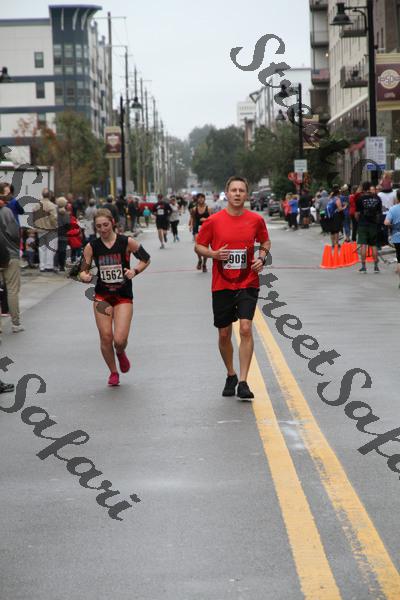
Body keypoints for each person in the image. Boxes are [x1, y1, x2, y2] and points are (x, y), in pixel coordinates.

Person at [195, 176, 270, 400]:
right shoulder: (213, 221)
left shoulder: (256, 220)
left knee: (245, 328)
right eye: (234, 190)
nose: (237, 194)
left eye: (241, 190)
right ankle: (231, 374)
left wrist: (261, 257)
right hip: (222, 284)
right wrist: (213, 254)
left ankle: (244, 382)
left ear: (246, 194)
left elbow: (265, 242)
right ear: (226, 193)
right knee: (224, 333)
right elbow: (198, 246)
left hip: (248, 281)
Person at [79, 209, 151, 386]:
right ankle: (113, 372)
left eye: (105, 225)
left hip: (123, 296)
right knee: (105, 337)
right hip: (102, 296)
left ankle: (120, 352)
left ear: (112, 223)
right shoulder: (92, 246)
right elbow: (82, 270)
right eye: (98, 226)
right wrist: (84, 276)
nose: (103, 229)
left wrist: (134, 271)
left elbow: (146, 259)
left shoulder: (126, 242)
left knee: (119, 340)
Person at [0, 182, 24, 335]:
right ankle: (15, 323)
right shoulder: (7, 212)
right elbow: (15, 233)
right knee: (12, 290)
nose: (9, 196)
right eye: (6, 193)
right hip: (10, 254)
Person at [356, 181, 382, 273]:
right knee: (374, 245)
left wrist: (359, 221)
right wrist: (376, 222)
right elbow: (379, 213)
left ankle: (363, 267)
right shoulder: (377, 198)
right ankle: (376, 267)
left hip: (362, 224)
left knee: (363, 245)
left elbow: (357, 213)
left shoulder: (360, 199)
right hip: (373, 224)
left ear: (363, 188)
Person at [32, 188, 58, 272]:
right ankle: (49, 266)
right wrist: (55, 226)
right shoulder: (51, 205)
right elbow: (53, 218)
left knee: (42, 248)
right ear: (49, 195)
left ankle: (42, 266)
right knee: (50, 247)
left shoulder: (37, 205)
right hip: (50, 229)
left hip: (40, 229)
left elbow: (33, 216)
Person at [189, 192, 210, 271]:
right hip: (197, 229)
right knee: (197, 246)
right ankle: (199, 260)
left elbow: (213, 219)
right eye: (199, 198)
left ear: (204, 199)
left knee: (205, 247)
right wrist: (191, 225)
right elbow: (192, 218)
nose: (201, 199)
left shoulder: (208, 208)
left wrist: (205, 219)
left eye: (202, 197)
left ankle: (204, 264)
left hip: (206, 229)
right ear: (197, 199)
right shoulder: (194, 209)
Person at [384, 189, 400, 287]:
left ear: (397, 198)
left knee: (399, 260)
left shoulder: (393, 209)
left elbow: (386, 222)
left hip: (397, 238)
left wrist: (392, 225)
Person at [55, 197, 70, 272]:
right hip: (64, 234)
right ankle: (62, 266)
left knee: (56, 250)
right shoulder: (66, 214)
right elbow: (68, 225)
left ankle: (55, 264)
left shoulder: (54, 212)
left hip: (55, 233)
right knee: (63, 251)